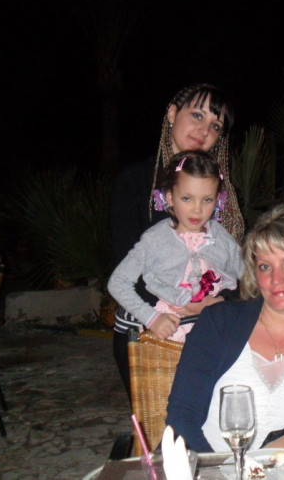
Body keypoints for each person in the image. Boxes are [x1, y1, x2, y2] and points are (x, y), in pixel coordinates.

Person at [167, 204, 284, 452]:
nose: (276, 279)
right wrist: (218, 469)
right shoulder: (219, 321)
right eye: (265, 266)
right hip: (207, 463)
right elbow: (182, 415)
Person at [110, 83, 245, 397]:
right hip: (150, 330)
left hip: (210, 328)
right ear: (172, 114)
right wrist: (173, 309)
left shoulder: (221, 193)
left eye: (215, 126)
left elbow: (238, 269)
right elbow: (122, 270)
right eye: (197, 115)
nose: (204, 131)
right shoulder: (135, 181)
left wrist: (220, 302)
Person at [108, 151, 244, 343]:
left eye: (207, 199)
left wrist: (225, 299)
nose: (197, 209)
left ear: (218, 199)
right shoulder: (155, 239)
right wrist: (151, 318)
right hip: (171, 338)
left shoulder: (222, 238)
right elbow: (118, 282)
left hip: (218, 333)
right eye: (187, 198)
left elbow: (250, 279)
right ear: (170, 197)